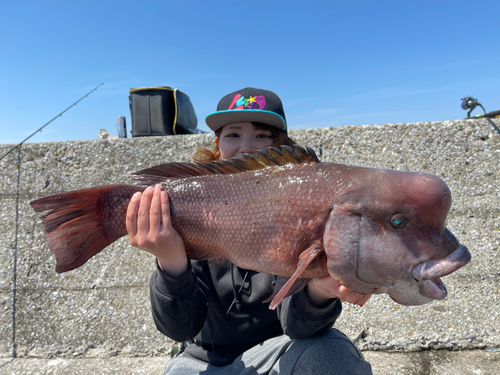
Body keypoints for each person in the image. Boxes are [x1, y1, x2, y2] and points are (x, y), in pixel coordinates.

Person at [126, 87, 373, 374]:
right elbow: (180, 329)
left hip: (280, 352)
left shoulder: (301, 212)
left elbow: (297, 327)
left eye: (262, 136)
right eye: (233, 135)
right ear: (217, 144)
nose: (247, 147)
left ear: (282, 146)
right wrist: (170, 262)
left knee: (333, 352)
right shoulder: (192, 207)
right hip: (201, 359)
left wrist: (318, 291)